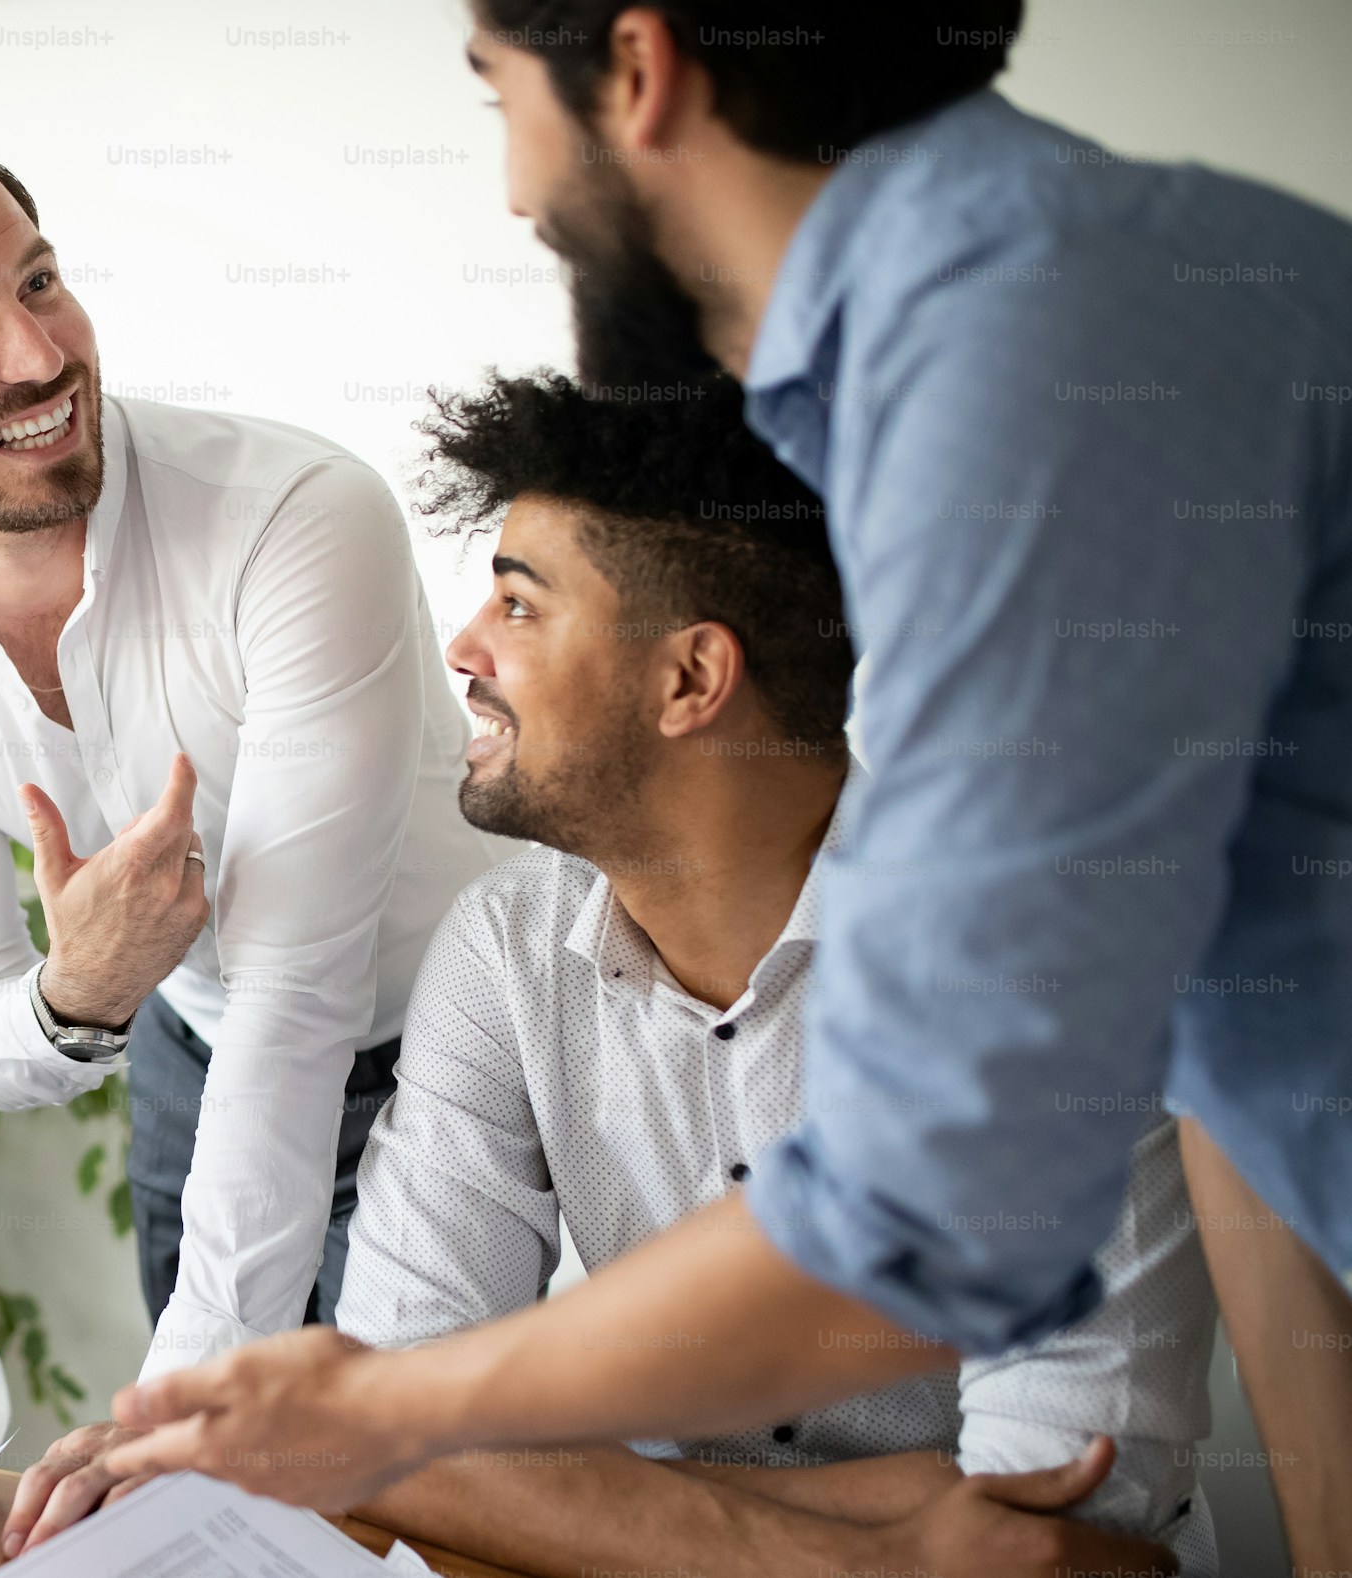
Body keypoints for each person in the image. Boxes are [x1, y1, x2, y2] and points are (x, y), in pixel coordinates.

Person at [106, 7, 1352, 1569]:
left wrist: (385, 1411)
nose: (509, 191)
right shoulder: (995, 337)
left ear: (637, 72)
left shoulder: (1029, 366)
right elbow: (1253, 1062)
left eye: (500, 97)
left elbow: (920, 1223)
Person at [344, 372, 1212, 1576]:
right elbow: (395, 1439)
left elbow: (1061, 1526)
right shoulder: (503, 950)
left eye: (521, 606)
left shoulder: (1039, 966)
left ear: (692, 680)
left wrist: (560, 1499)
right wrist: (877, 1531)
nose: (465, 647)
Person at [0, 119, 501, 1458]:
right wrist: (74, 994)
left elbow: (298, 992)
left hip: (461, 1056)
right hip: (195, 1053)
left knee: (408, 1487)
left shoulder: (297, 519)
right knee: (229, 1517)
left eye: (37, 282)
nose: (38, 354)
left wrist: (165, 1412)